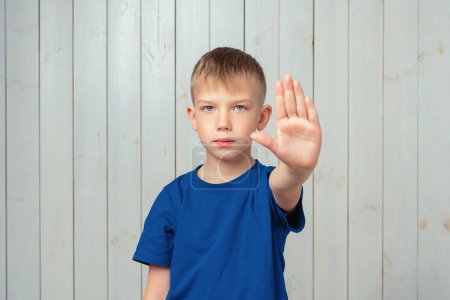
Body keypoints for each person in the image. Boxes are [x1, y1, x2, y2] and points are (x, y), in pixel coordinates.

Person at [133, 47, 322, 300]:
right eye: (209, 108)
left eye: (239, 107)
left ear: (262, 116)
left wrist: (297, 169)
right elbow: (155, 292)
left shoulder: (268, 189)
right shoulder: (171, 200)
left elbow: (286, 184)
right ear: (193, 117)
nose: (223, 122)